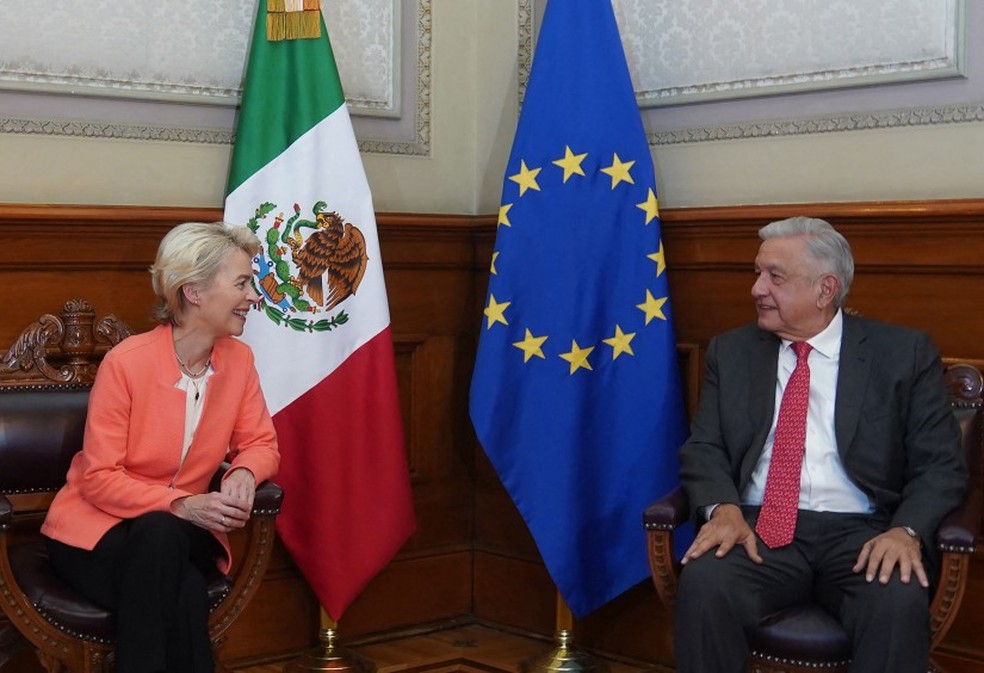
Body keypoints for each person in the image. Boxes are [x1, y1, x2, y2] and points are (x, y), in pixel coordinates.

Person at [673, 216, 967, 673]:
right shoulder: (731, 353)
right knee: (706, 583)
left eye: (775, 276)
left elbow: (941, 466)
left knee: (896, 598)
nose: (756, 289)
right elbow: (704, 446)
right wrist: (722, 509)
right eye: (757, 273)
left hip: (864, 532)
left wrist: (905, 531)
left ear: (825, 290)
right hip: (757, 529)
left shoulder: (901, 354)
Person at [41, 221, 280, 673]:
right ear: (193, 291)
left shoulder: (239, 361)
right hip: (94, 536)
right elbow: (98, 478)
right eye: (243, 283)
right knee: (184, 585)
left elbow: (261, 443)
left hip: (177, 533)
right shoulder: (126, 363)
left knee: (161, 533)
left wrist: (243, 472)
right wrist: (183, 504)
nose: (254, 296)